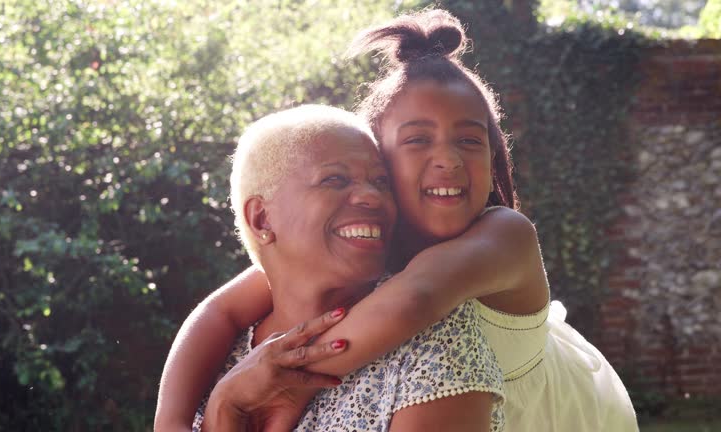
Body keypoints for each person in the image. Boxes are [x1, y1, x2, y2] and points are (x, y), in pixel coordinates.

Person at [155, 9, 638, 432]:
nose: (447, 159)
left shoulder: (505, 235)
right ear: (380, 163)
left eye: (469, 141)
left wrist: (290, 383)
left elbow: (415, 298)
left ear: (493, 158)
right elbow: (220, 312)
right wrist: (173, 420)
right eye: (417, 141)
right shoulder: (368, 239)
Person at [188, 104, 505, 431]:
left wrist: (225, 408)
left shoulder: (433, 335)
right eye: (334, 179)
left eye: (382, 182)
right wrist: (226, 404)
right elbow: (215, 312)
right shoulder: (218, 359)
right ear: (261, 218)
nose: (372, 197)